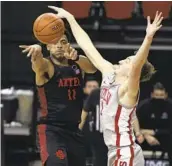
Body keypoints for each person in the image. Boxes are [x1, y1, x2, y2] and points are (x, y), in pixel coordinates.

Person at [48, 6, 163, 166]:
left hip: (125, 152)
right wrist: (70, 18)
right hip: (113, 150)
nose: (126, 59)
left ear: (132, 72)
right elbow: (87, 46)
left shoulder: (127, 90)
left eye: (130, 60)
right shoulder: (109, 72)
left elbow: (137, 65)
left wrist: (148, 38)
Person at [19, 29, 97, 166]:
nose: (59, 46)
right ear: (48, 46)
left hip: (74, 129)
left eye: (63, 42)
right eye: (54, 43)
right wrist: (37, 52)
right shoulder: (47, 65)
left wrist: (77, 57)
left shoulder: (77, 64)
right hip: (51, 129)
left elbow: (92, 68)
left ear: (69, 45)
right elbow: (38, 64)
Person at [137, 82, 172, 165]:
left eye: (161, 95)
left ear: (166, 95)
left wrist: (155, 132)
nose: (159, 98)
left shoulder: (170, 106)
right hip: (145, 136)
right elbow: (135, 125)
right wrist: (146, 135)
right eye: (156, 95)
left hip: (165, 136)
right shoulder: (144, 106)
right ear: (152, 95)